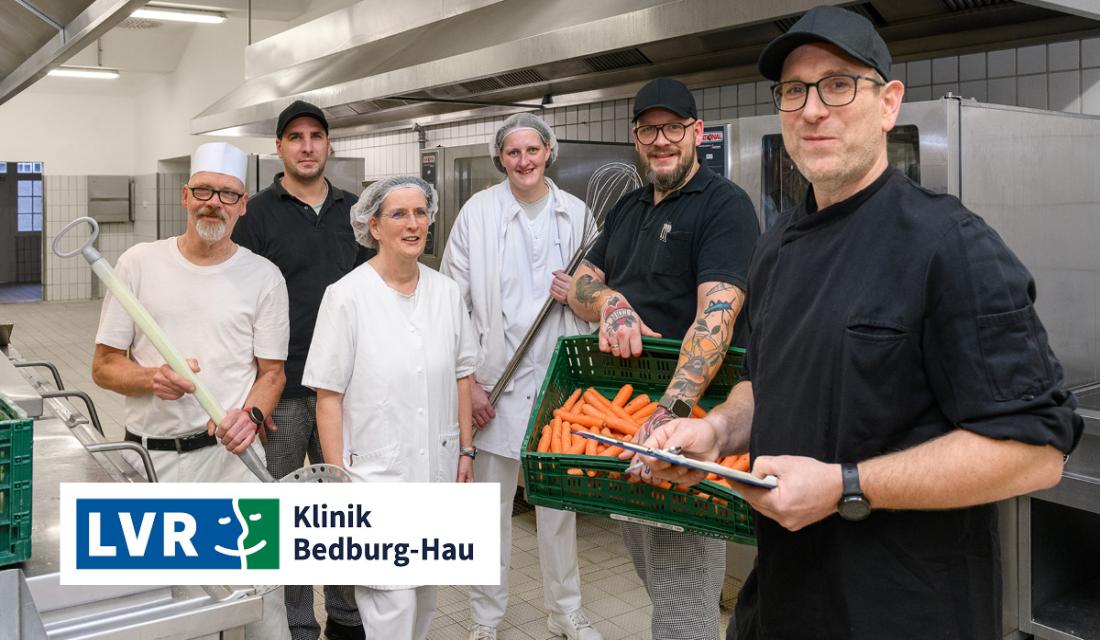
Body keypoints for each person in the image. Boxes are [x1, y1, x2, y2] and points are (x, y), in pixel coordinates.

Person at [640, 6, 1083, 639]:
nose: (813, 109)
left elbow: (1037, 452)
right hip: (783, 605)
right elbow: (765, 385)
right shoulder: (777, 247)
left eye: (839, 84)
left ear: (888, 103)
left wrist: (847, 486)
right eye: (795, 91)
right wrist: (715, 433)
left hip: (904, 612)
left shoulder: (949, 246)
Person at [566, 78, 760, 640]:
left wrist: (671, 413)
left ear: (696, 132)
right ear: (635, 137)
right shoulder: (628, 207)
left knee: (680, 604)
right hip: (628, 418)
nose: (661, 140)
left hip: (688, 423)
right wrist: (611, 305)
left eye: (673, 127)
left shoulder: (724, 206)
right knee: (653, 572)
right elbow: (581, 282)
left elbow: (715, 318)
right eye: (649, 129)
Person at [92, 141, 292, 640]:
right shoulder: (139, 263)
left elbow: (272, 374)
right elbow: (103, 366)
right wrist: (148, 378)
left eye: (227, 194)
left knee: (265, 612)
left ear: (243, 205)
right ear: (185, 196)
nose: (213, 203)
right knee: (178, 617)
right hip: (155, 468)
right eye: (203, 191)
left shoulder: (263, 276)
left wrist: (250, 416)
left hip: (236, 468)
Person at [440, 113, 601, 640]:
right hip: (495, 386)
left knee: (560, 507)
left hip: (560, 385)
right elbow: (452, 304)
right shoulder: (477, 214)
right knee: (490, 512)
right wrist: (471, 384)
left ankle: (565, 611)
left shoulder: (577, 216)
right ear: (501, 159)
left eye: (533, 150)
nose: (524, 161)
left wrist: (575, 293)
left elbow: (601, 294)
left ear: (548, 152)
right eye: (513, 153)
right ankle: (485, 618)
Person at [302, 176, 478, 640]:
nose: (413, 223)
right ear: (373, 226)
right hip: (373, 477)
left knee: (424, 601)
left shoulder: (446, 293)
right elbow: (328, 395)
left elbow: (463, 375)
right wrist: (337, 478)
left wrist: (466, 450)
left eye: (420, 213)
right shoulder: (346, 296)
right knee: (388, 608)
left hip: (436, 470)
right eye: (399, 214)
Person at [231, 99, 367, 640]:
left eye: (316, 135)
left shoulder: (357, 212)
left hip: (347, 385)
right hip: (283, 386)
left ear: (329, 144)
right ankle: (297, 622)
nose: (307, 145)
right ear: (279, 148)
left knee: (341, 505)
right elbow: (239, 300)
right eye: (295, 137)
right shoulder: (257, 215)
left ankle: (347, 615)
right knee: (288, 510)